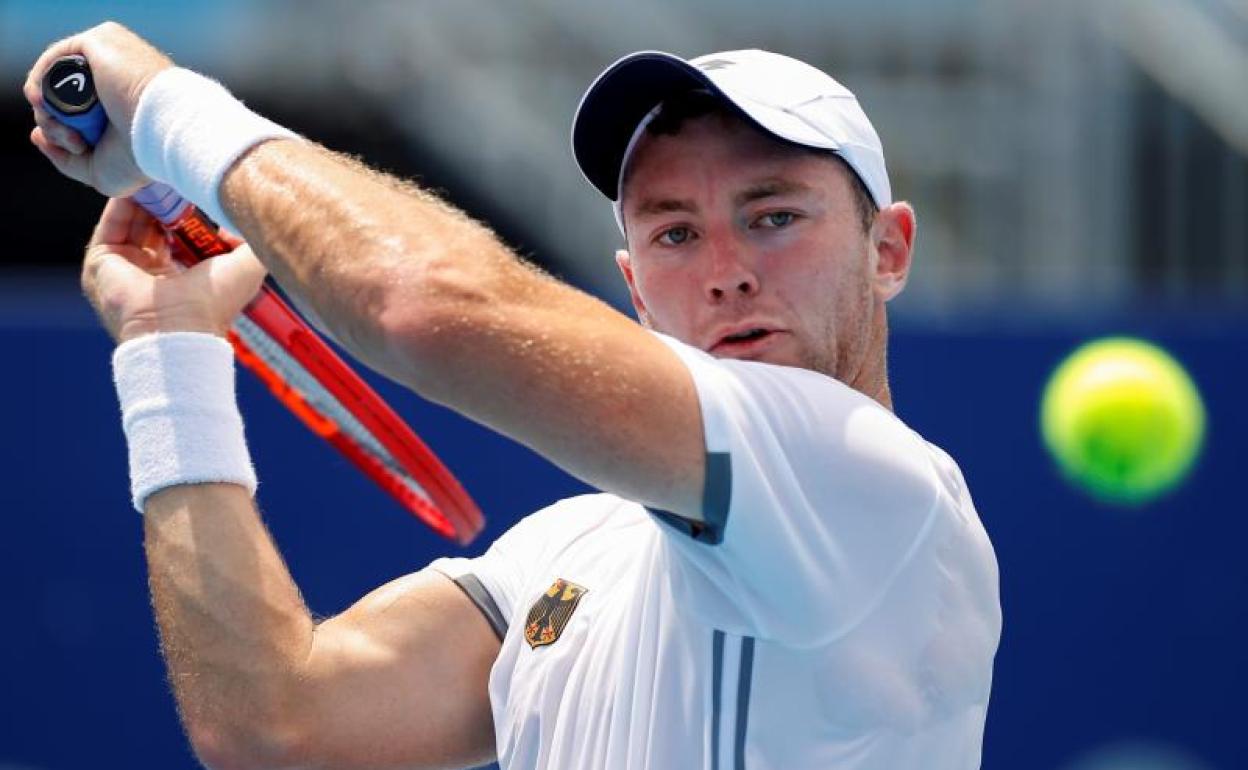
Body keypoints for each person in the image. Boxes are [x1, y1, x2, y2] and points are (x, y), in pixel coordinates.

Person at [26, 22, 1002, 770]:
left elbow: (421, 303)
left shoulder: (879, 484)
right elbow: (277, 722)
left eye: (774, 213)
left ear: (889, 251)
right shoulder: (567, 554)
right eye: (674, 233)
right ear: (631, 286)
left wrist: (169, 109)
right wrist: (167, 352)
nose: (726, 271)